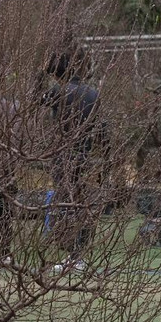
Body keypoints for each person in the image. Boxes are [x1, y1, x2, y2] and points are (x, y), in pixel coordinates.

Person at [42, 50, 101, 272]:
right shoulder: (92, 94)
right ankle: (79, 253)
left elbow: (36, 100)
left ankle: (72, 253)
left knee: (66, 203)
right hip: (84, 153)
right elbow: (100, 126)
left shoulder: (59, 92)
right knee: (80, 202)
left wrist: (40, 72)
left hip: (63, 153)